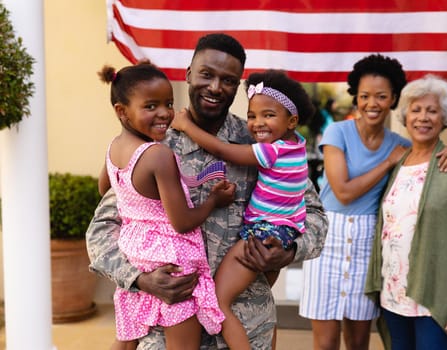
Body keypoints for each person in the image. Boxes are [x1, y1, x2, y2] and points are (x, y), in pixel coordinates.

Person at [86, 33, 328, 350]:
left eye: (228, 80)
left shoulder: (260, 140)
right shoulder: (152, 145)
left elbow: (314, 216)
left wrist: (290, 250)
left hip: (245, 327)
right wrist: (140, 279)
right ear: (188, 74)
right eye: (206, 74)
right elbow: (102, 229)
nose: (215, 87)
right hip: (166, 329)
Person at [299, 54, 447, 350]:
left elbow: (428, 151)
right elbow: (343, 192)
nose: (371, 103)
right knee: (324, 343)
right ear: (356, 98)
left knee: (359, 340)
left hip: (368, 243)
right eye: (364, 96)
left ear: (393, 99)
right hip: (328, 240)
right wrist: (387, 163)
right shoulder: (338, 132)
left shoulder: (400, 144)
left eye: (381, 96)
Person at [171, 69, 315, 350]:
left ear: (292, 120)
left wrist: (187, 126)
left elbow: (226, 152)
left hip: (261, 235)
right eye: (252, 115)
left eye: (268, 115)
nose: (258, 123)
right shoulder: (295, 147)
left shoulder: (271, 150)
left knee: (219, 301)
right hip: (280, 232)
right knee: (244, 295)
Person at [97, 62, 235, 350]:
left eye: (168, 103)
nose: (164, 113)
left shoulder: (113, 147)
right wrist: (213, 200)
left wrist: (137, 206)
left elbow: (104, 189)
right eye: (150, 106)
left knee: (126, 339)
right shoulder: (158, 155)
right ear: (122, 111)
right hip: (171, 259)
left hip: (137, 252)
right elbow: (182, 221)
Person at [365, 75, 447, 350]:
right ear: (406, 117)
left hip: (433, 299)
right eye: (416, 110)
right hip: (394, 295)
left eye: (432, 111)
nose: (423, 118)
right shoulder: (399, 162)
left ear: (444, 118)